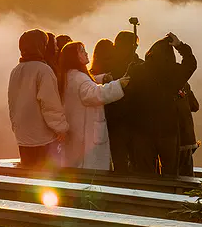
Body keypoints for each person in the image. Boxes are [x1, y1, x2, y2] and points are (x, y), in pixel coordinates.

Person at [126, 32, 197, 176]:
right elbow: (191, 63)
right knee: (171, 173)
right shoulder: (174, 72)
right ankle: (168, 195)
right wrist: (180, 46)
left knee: (144, 174)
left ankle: (148, 197)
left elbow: (127, 93)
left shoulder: (137, 70)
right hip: (168, 130)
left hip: (141, 130)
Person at [58, 41, 128, 170]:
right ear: (74, 56)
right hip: (88, 134)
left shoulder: (68, 76)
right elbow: (94, 94)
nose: (86, 53)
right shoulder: (80, 78)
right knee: (90, 172)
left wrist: (102, 78)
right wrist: (119, 84)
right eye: (82, 51)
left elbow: (90, 83)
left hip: (75, 132)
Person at [8, 29, 69, 169]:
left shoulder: (16, 70)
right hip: (42, 137)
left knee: (28, 176)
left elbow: (12, 102)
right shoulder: (43, 70)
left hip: (22, 135)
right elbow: (50, 104)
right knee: (45, 178)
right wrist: (61, 128)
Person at [105, 31, 142, 174]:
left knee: (120, 161)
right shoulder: (138, 65)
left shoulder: (107, 64)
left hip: (115, 121)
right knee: (133, 163)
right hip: (131, 122)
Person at [177, 82, 200, 176]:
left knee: (172, 173)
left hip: (171, 138)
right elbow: (195, 106)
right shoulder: (184, 84)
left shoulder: (160, 83)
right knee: (186, 172)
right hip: (187, 137)